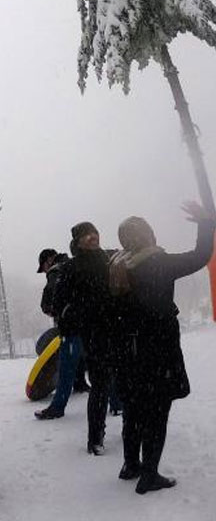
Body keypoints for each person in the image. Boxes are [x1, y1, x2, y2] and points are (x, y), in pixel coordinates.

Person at [111, 201, 214, 494]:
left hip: (128, 349)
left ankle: (131, 465)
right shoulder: (157, 262)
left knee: (133, 408)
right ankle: (149, 475)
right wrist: (206, 224)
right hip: (157, 349)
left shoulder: (118, 263)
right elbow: (200, 256)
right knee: (157, 411)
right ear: (149, 235)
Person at [63, 221, 124, 455]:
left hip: (118, 330)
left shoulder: (110, 258)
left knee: (123, 378)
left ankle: (131, 427)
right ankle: (95, 439)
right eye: (87, 235)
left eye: (95, 232)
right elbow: (60, 304)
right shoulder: (71, 268)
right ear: (78, 241)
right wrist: (83, 314)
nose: (93, 237)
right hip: (94, 335)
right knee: (99, 386)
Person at [34, 247, 84, 420]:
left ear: (49, 261)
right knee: (99, 366)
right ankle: (115, 404)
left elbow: (49, 300)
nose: (45, 272)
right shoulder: (75, 264)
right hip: (91, 324)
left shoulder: (56, 272)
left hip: (71, 326)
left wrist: (54, 310)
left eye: (43, 268)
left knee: (66, 367)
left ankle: (57, 407)